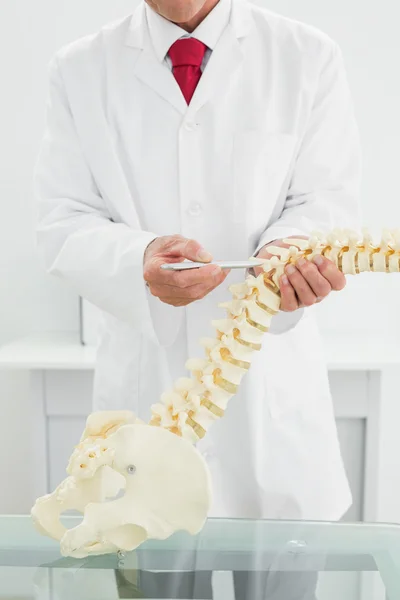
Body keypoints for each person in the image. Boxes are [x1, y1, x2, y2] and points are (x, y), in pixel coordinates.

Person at [34, 0, 361, 528]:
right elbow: (63, 221)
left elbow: (325, 197)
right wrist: (137, 259)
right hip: (147, 400)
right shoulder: (79, 69)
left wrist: (290, 248)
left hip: (271, 400)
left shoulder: (306, 56)